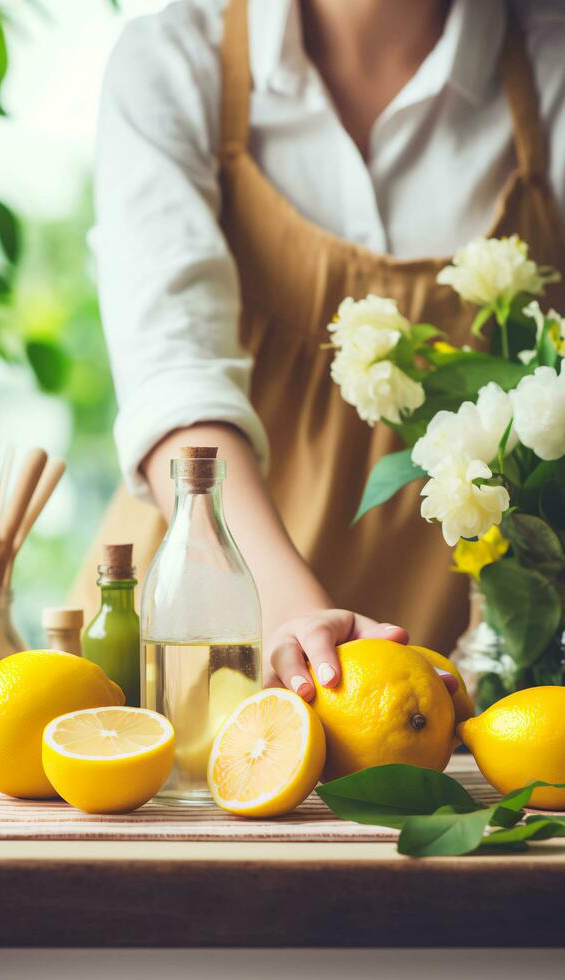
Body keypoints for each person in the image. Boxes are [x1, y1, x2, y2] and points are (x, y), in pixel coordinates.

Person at [81, 0, 565, 701]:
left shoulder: (547, 65)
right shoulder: (174, 60)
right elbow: (174, 373)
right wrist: (301, 623)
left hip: (467, 669)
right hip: (199, 630)